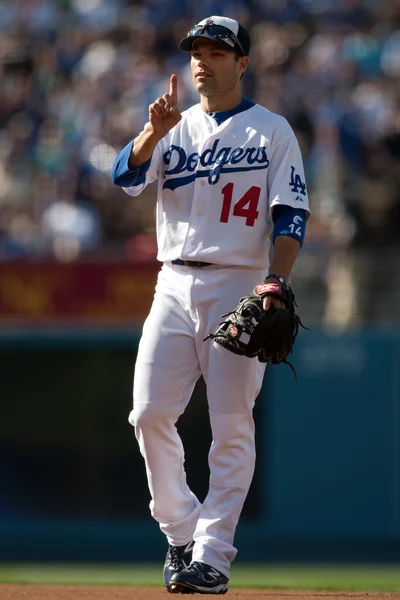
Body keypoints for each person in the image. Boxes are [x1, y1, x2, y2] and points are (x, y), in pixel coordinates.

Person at [111, 15, 310, 595]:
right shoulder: (171, 126)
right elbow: (124, 176)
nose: (203, 59)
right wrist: (152, 132)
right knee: (148, 413)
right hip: (172, 283)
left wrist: (277, 279)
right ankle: (180, 531)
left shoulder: (272, 130)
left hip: (239, 282)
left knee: (230, 426)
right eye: (197, 50)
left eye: (217, 51)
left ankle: (214, 556)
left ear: (241, 63)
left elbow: (291, 215)